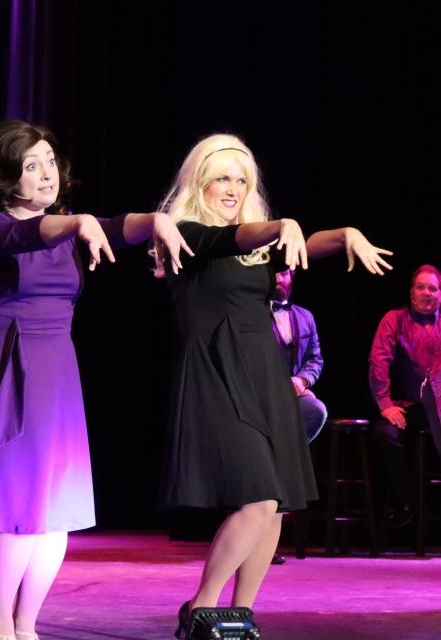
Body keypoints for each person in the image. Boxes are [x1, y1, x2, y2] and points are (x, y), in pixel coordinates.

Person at [0, 120, 192, 640]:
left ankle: (27, 626)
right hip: (3, 363)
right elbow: (26, 233)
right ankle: (0, 626)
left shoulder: (71, 223)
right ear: (5, 176)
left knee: (55, 518)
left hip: (55, 370)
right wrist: (77, 225)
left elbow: (118, 225)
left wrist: (156, 222)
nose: (46, 174)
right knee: (19, 514)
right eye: (31, 166)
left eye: (49, 161)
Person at [153, 134, 391, 638]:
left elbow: (301, 248)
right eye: (222, 178)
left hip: (263, 369)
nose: (233, 188)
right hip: (216, 368)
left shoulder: (257, 247)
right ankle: (200, 606)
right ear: (200, 181)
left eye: (242, 180)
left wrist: (345, 234)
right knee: (258, 497)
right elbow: (233, 240)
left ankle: (238, 613)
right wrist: (281, 226)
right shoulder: (184, 232)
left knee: (277, 502)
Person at [368, 264, 441, 525]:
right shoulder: (394, 319)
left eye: (433, 288)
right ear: (412, 293)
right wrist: (385, 403)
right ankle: (407, 501)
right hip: (406, 407)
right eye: (421, 287)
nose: (427, 293)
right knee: (385, 436)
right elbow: (379, 362)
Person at [270, 269, 328, 443]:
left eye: (284, 273)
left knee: (316, 410)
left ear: (292, 276)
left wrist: (301, 381)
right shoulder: (254, 315)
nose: (279, 278)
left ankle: (288, 461)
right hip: (263, 394)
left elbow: (314, 359)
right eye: (274, 273)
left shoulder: (305, 316)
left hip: (294, 395)